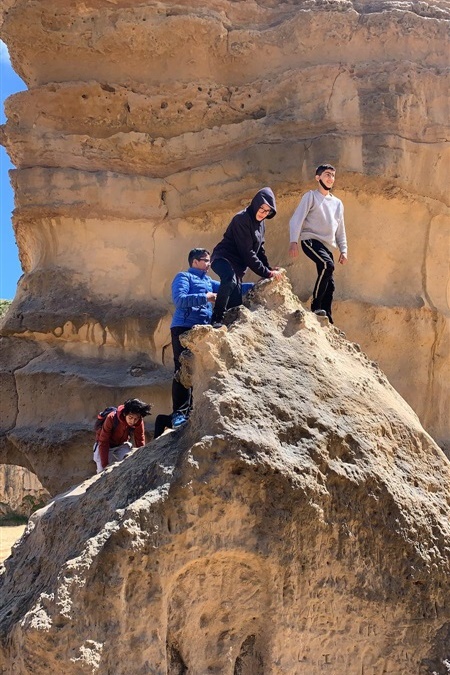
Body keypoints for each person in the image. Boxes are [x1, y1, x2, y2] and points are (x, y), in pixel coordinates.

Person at [210, 187, 282, 326]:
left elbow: (259, 250)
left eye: (268, 211)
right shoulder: (241, 219)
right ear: (256, 204)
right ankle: (217, 317)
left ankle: (228, 326)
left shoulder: (261, 224)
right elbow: (247, 252)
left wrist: (268, 268)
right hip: (223, 258)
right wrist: (266, 273)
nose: (264, 213)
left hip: (237, 267)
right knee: (229, 280)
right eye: (262, 209)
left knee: (236, 303)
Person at [288, 164, 348, 324]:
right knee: (328, 265)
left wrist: (344, 250)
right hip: (310, 240)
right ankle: (316, 306)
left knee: (331, 284)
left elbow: (340, 229)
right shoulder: (311, 197)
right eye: (327, 174)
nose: (330, 178)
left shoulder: (337, 203)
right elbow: (297, 219)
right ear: (318, 178)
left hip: (326, 246)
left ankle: (326, 316)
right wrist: (293, 241)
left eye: (333, 176)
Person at [93, 398, 152, 473]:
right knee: (102, 472)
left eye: (135, 419)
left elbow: (140, 439)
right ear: (124, 414)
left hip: (121, 445)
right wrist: (105, 466)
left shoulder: (138, 421)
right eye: (130, 417)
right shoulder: (111, 418)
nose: (133, 421)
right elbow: (103, 441)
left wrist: (141, 460)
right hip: (104, 446)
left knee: (130, 460)